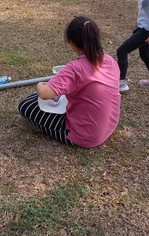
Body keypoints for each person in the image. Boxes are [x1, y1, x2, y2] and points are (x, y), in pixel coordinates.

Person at [18, 17, 121, 148]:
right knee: (41, 99)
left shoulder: (75, 68)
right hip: (109, 126)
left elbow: (44, 93)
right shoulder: (110, 60)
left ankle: (42, 126)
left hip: (86, 136)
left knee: (25, 105)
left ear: (72, 43)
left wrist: (41, 84)